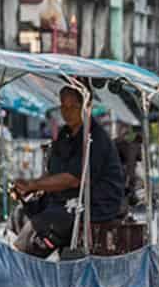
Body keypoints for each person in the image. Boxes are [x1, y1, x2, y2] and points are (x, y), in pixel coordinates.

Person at [11, 85, 127, 258]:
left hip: (95, 205)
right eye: (64, 106)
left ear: (85, 108)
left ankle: (22, 260)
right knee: (20, 213)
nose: (68, 111)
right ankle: (24, 254)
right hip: (64, 200)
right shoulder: (65, 135)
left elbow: (73, 179)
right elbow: (53, 174)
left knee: (45, 221)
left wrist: (33, 184)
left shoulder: (95, 138)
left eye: (73, 106)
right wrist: (29, 189)